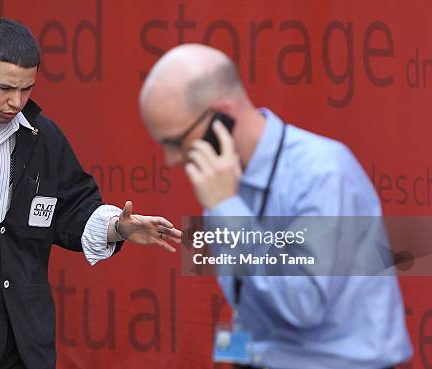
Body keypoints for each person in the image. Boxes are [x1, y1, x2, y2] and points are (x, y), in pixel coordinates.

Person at [0, 17, 181, 369]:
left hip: (24, 341)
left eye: (27, 89)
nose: (16, 102)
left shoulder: (42, 134)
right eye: (5, 88)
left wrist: (120, 227)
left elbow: (71, 208)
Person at [139, 44, 412, 369]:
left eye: (176, 141)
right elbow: (247, 295)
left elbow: (303, 305)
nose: (171, 160)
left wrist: (228, 209)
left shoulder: (321, 174)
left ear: (222, 118)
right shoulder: (224, 181)